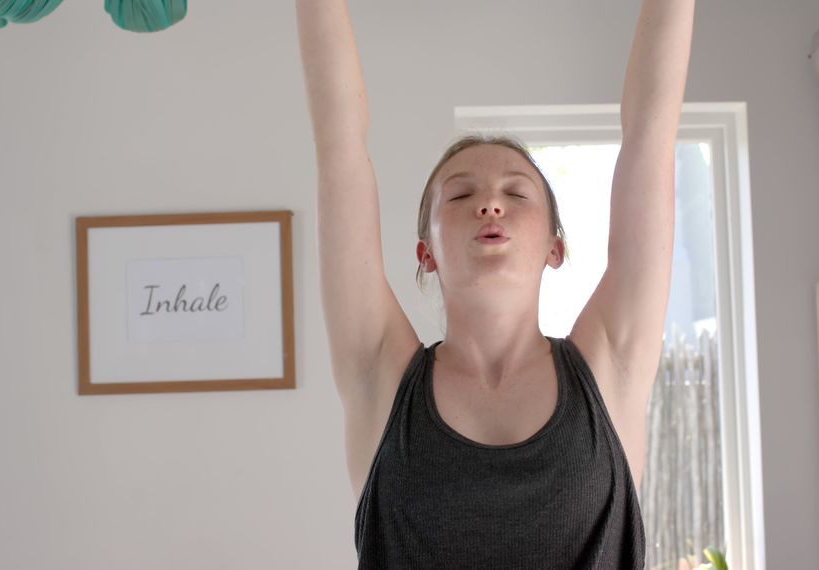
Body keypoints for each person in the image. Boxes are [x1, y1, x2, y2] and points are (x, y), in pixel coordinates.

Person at [296, 1, 694, 568]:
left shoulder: (612, 364)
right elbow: (339, 148)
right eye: (460, 195)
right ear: (425, 253)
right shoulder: (380, 376)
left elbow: (651, 135)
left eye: (517, 193)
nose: (489, 203)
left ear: (556, 246)